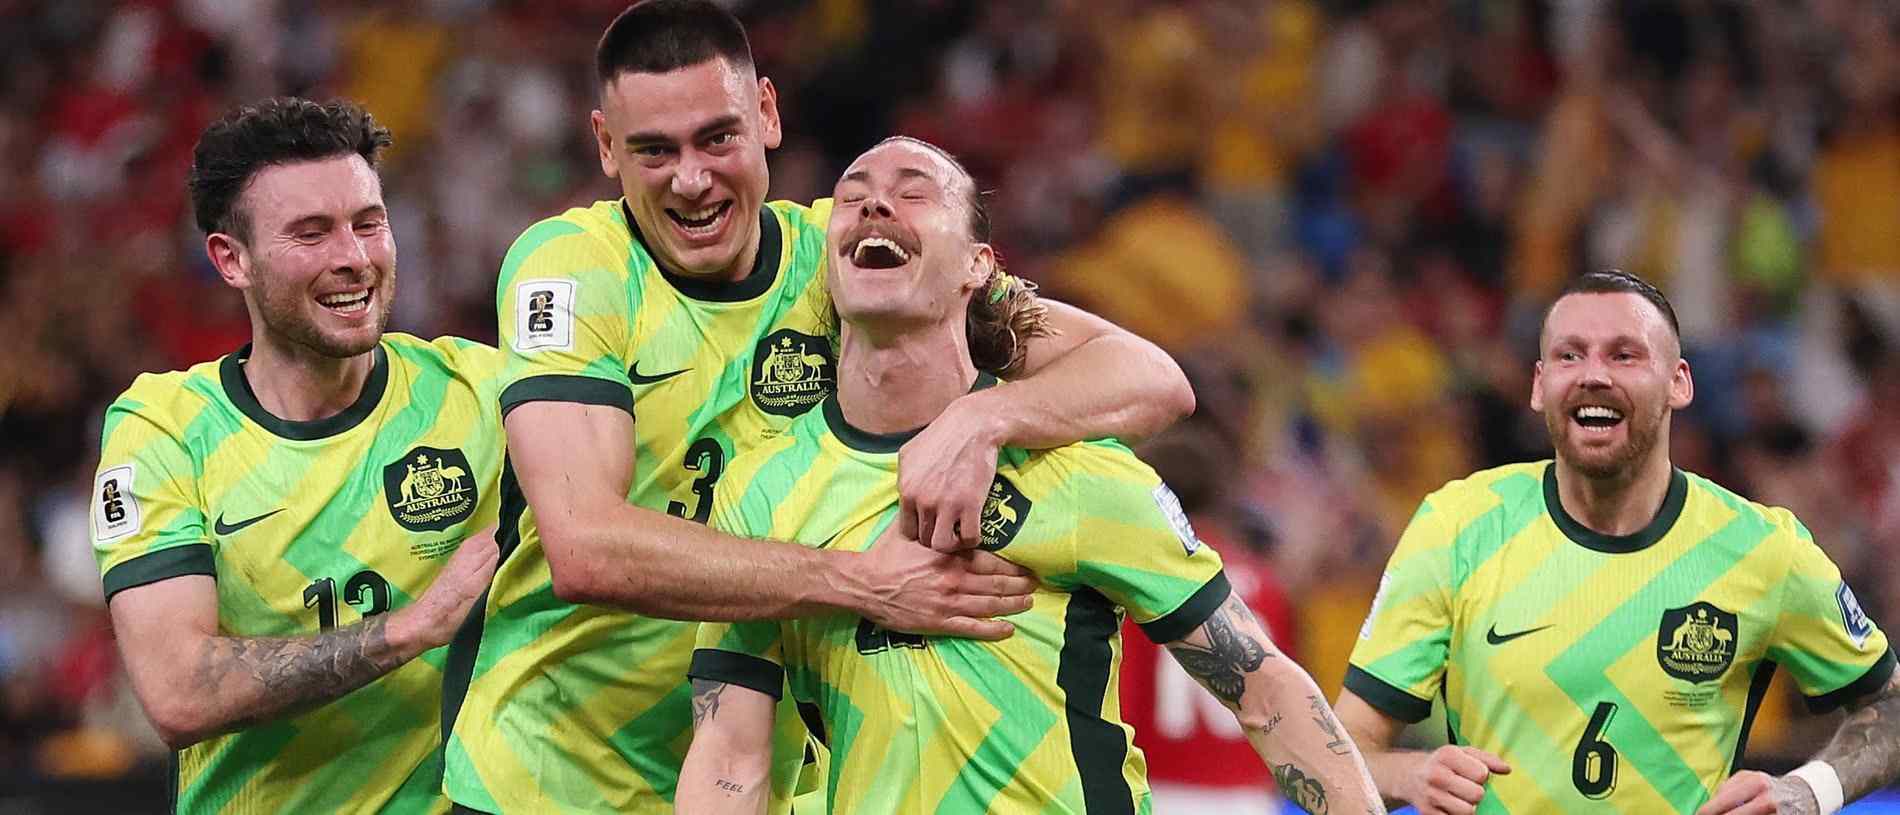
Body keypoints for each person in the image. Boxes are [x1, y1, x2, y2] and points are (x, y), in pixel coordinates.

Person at [442, 4, 1198, 812]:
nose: (690, 179)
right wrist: (862, 583)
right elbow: (584, 545)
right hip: (555, 781)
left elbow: (1149, 378)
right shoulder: (570, 270)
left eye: (716, 138)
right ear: (603, 146)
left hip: (759, 778)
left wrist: (982, 419)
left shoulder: (847, 261)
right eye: (653, 150)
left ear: (767, 113)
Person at [673, 136, 1383, 814]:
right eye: (851, 196)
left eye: (912, 193)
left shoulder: (1074, 469)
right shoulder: (760, 489)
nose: (873, 206)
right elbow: (730, 753)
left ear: (978, 265)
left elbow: (1259, 683)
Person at [1337, 269, 1900, 815]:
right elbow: (1343, 748)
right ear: (1539, 385)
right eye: (1569, 355)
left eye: (1624, 355)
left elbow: (1891, 705)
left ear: (1679, 382)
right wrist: (1408, 774)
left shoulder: (1762, 548)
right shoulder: (1458, 526)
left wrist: (1810, 790)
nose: (1593, 375)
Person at [91, 97, 502, 814]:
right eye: (311, 233)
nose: (353, 257)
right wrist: (409, 629)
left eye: (368, 223)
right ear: (231, 259)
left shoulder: (480, 393)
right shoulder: (165, 430)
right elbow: (177, 689)